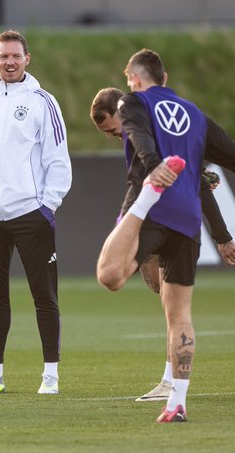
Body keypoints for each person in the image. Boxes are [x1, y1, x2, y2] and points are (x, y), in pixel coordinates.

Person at [96, 49, 235, 422]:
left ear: (135, 79)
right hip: (188, 219)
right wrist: (221, 233)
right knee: (180, 315)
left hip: (153, 208)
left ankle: (142, 202)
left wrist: (155, 173)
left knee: (110, 275)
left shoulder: (132, 102)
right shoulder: (196, 116)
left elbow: (141, 139)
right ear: (166, 76)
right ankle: (177, 402)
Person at [0, 30, 72, 396]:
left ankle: (50, 375)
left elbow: (58, 160)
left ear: (27, 59)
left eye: (16, 56)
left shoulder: (42, 101)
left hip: (29, 214)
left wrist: (46, 206)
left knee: (44, 295)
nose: (9, 62)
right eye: (3, 56)